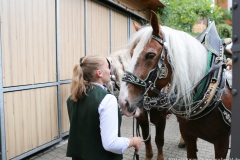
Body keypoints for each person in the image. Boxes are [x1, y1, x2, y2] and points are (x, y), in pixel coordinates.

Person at [66, 55, 142, 160]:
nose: (110, 71)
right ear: (99, 73)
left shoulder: (72, 97)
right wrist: (133, 141)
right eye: (107, 67)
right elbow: (111, 144)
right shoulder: (107, 99)